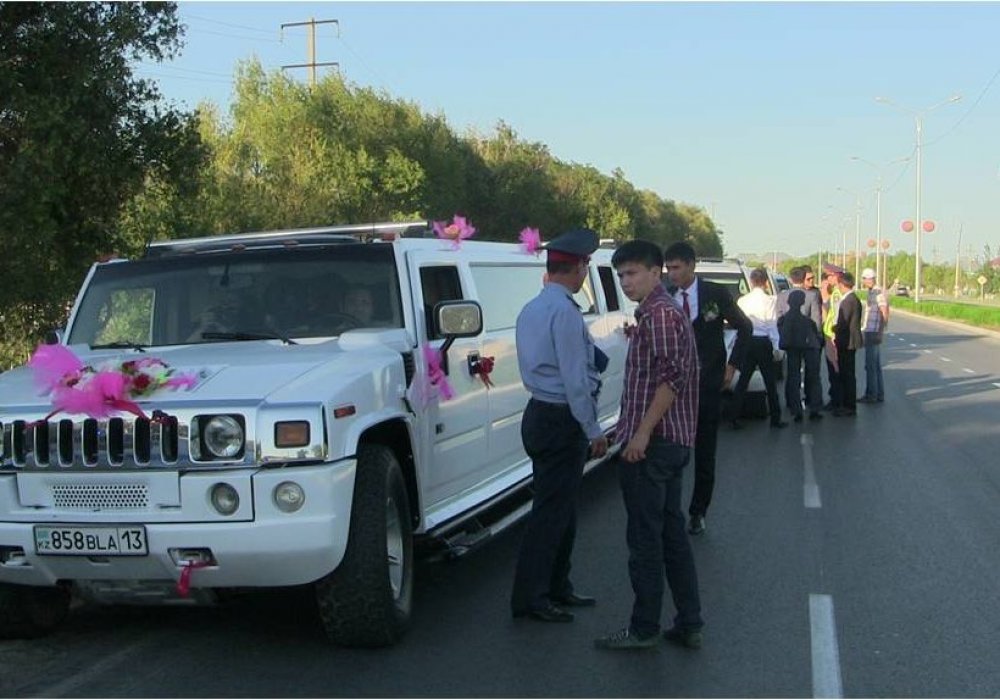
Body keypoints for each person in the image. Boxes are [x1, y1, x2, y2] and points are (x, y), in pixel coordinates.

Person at [594, 240, 703, 651]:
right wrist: (622, 430)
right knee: (671, 534)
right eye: (620, 275)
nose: (626, 282)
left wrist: (639, 433)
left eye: (633, 273)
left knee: (645, 539)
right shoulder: (658, 313)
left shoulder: (658, 314)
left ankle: (644, 628)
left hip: (654, 445)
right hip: (666, 440)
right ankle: (688, 621)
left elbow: (671, 379)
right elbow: (647, 383)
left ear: (657, 272)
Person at [510, 227, 609, 623]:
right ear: (579, 268)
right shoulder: (564, 312)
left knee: (562, 509)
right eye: (586, 265)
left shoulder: (532, 308)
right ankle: (532, 597)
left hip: (540, 413)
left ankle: (557, 586)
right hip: (560, 418)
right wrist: (594, 430)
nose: (586, 272)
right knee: (551, 514)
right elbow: (575, 380)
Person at [663, 241, 751, 536]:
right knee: (672, 450)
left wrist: (732, 365)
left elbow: (745, 327)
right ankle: (669, 509)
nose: (672, 274)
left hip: (707, 384)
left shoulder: (713, 293)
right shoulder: (664, 294)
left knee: (704, 451)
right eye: (669, 268)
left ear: (691, 266)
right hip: (673, 387)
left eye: (677, 268)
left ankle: (698, 510)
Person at [731, 267, 787, 428]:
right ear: (765, 282)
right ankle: (775, 418)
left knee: (743, 381)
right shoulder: (770, 300)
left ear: (752, 281)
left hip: (747, 341)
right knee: (770, 381)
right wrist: (777, 346)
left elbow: (739, 324)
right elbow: (771, 324)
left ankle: (734, 416)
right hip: (762, 342)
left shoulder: (742, 301)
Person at [776, 266, 824, 422]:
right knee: (813, 375)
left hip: (791, 342)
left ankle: (795, 408)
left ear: (791, 279)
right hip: (809, 341)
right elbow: (817, 321)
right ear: (804, 278)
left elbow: (779, 320)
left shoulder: (782, 296)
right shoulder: (812, 296)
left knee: (793, 375)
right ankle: (814, 407)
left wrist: (785, 334)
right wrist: (818, 338)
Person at [833, 271, 863, 417]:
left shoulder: (848, 301)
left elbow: (843, 323)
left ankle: (848, 405)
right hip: (849, 341)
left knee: (847, 375)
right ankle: (847, 404)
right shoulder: (853, 299)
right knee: (847, 374)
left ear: (842, 284)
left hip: (847, 341)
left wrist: (833, 328)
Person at [858, 268, 889, 403]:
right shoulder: (872, 292)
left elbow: (884, 312)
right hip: (870, 330)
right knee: (875, 365)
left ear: (870, 279)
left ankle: (871, 395)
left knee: (870, 366)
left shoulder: (878, 293)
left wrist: (880, 332)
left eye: (865, 279)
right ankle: (879, 393)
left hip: (874, 332)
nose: (864, 282)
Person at [820, 263, 846, 411]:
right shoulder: (835, 292)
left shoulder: (837, 294)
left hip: (833, 336)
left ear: (836, 276)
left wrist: (835, 335)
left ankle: (837, 400)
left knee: (834, 369)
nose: (827, 278)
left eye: (829, 275)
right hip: (830, 333)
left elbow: (836, 316)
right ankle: (836, 398)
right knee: (833, 368)